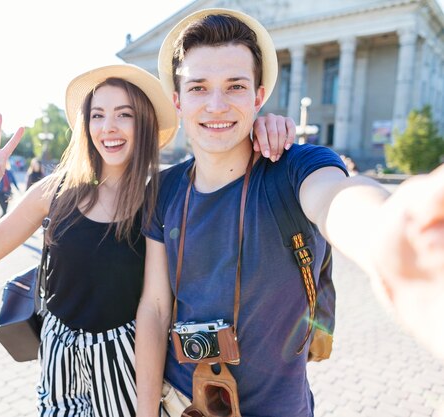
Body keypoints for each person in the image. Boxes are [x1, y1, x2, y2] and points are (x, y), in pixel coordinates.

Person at [134, 8, 444, 417]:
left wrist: (390, 234)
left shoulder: (296, 167)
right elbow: (155, 309)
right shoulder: (165, 189)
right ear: (177, 101)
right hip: (180, 404)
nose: (216, 105)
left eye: (235, 86)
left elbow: (337, 197)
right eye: (198, 88)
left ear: (258, 97)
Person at [0, 63, 295, 416]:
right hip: (58, 354)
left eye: (124, 114)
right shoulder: (55, 190)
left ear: (144, 124)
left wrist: (262, 126)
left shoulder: (159, 197)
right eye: (98, 115)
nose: (109, 128)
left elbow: (224, 164)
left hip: (126, 363)